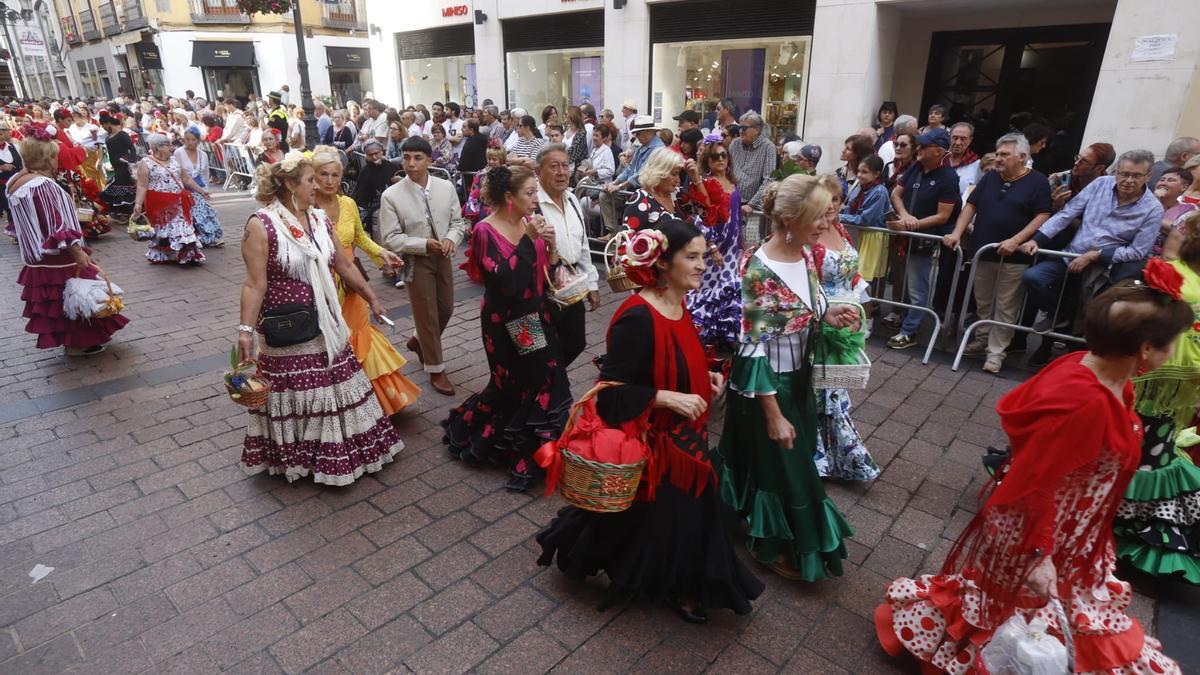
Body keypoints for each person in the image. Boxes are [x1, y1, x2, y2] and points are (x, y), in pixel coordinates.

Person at [876, 281, 1188, 675]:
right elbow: (1039, 480)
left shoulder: (1088, 366)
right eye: (1172, 340)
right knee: (1027, 614)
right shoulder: (1087, 401)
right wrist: (1041, 554)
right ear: (1145, 348)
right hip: (1044, 531)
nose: (1175, 348)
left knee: (1028, 611)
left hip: (1069, 530)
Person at [537, 218, 765, 624]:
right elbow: (610, 396)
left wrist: (704, 374)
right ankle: (685, 588)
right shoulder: (637, 317)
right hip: (662, 445)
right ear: (663, 263)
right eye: (690, 257)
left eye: (701, 256)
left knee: (655, 518)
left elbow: (678, 355)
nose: (701, 264)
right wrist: (666, 398)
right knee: (689, 514)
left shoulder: (679, 301)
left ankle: (662, 575)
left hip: (686, 436)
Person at [713, 174, 858, 579]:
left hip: (798, 379)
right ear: (790, 219)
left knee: (775, 460)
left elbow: (807, 302)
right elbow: (752, 346)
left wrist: (827, 313)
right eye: (818, 216)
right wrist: (774, 413)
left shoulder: (806, 255)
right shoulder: (756, 272)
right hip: (765, 387)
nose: (826, 224)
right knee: (787, 468)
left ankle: (745, 521)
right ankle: (774, 545)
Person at [237, 152, 405, 485]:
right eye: (311, 180)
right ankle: (304, 458)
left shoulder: (318, 220)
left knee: (332, 385)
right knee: (301, 392)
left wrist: (372, 298)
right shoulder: (261, 224)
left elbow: (343, 265)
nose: (318, 186)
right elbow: (255, 283)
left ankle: (337, 452)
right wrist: (244, 331)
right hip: (286, 329)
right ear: (289, 184)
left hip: (326, 322)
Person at [442, 164, 572, 491]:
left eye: (535, 192)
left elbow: (545, 269)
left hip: (535, 314)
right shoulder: (485, 230)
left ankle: (530, 448)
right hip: (508, 320)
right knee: (520, 383)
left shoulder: (531, 224)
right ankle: (521, 451)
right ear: (508, 197)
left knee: (539, 379)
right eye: (529, 193)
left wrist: (552, 247)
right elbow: (506, 281)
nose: (535, 199)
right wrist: (529, 241)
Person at [1020, 149, 1163, 364]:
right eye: (1124, 174)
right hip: (1070, 255)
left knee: (1088, 317)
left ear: (1148, 176)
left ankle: (1074, 363)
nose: (1128, 180)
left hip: (1105, 269)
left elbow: (1138, 251)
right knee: (1034, 278)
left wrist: (1096, 255)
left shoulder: (1153, 208)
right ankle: (1061, 317)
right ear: (1116, 172)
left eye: (1136, 176)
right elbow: (1068, 214)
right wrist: (1036, 240)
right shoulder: (1100, 184)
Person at [310, 145, 419, 418]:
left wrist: (382, 252)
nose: (330, 181)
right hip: (320, 284)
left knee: (359, 332)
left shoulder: (347, 204)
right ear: (312, 176)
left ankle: (370, 402)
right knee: (330, 340)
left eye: (335, 175)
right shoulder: (306, 209)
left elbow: (359, 238)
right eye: (323, 174)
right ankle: (339, 406)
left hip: (351, 283)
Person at [1116, 239, 1200, 584]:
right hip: (1166, 377)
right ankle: (1132, 536)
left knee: (1133, 448)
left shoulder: (1172, 274)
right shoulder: (1180, 281)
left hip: (1147, 371)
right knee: (1146, 453)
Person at [11, 122, 128, 355]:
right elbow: (56, 223)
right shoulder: (43, 185)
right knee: (76, 296)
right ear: (46, 159)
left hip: (38, 254)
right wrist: (77, 251)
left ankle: (75, 343)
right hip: (56, 255)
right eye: (54, 156)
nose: (57, 160)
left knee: (59, 300)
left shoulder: (18, 181)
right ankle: (80, 344)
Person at [944, 133, 1052, 373]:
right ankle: (982, 339)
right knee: (983, 301)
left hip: (1014, 257)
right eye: (999, 153)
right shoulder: (990, 178)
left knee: (1005, 305)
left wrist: (1016, 240)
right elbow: (971, 205)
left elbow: (1042, 215)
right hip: (983, 252)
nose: (999, 158)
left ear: (1023, 157)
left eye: (1005, 154)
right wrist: (957, 232)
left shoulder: (1038, 181)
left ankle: (995, 353)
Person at [379, 136, 468, 397]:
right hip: (415, 260)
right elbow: (391, 238)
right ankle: (436, 368)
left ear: (430, 160)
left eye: (417, 158)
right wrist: (423, 244)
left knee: (446, 308)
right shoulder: (391, 195)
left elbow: (457, 222)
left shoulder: (445, 187)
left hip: (444, 256)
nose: (411, 163)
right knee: (427, 314)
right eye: (406, 157)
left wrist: (452, 239)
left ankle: (419, 340)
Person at [812, 175, 879, 481]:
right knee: (818, 388)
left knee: (833, 387)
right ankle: (817, 458)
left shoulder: (840, 229)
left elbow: (854, 277)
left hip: (846, 321)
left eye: (837, 199)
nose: (832, 205)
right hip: (819, 322)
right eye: (826, 199)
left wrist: (859, 310)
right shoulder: (809, 234)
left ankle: (834, 456)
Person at [885, 128, 962, 349]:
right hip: (906, 234)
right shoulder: (916, 167)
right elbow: (896, 194)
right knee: (908, 283)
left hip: (924, 239)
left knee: (918, 285)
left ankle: (910, 331)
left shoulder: (948, 177)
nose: (919, 148)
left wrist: (914, 223)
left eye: (924, 146)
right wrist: (906, 216)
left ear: (938, 151)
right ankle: (908, 322)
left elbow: (944, 215)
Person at [535, 143, 600, 366]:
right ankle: (550, 388)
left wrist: (592, 284)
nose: (562, 172)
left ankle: (552, 381)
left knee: (576, 341)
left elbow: (582, 246)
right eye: (554, 166)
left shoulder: (572, 198)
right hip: (540, 286)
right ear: (538, 171)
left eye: (565, 166)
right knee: (539, 346)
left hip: (570, 283)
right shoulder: (532, 203)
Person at [682, 135, 742, 347]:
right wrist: (713, 246)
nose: (720, 160)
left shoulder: (733, 182)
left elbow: (736, 215)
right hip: (712, 247)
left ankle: (723, 332)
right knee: (707, 289)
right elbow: (700, 218)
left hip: (733, 247)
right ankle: (701, 331)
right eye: (715, 156)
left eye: (724, 155)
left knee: (728, 287)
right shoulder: (704, 184)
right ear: (707, 161)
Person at [133, 134, 208, 265]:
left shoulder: (174, 160)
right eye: (167, 145)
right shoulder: (145, 164)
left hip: (178, 202)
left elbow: (187, 179)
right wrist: (138, 204)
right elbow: (142, 185)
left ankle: (188, 255)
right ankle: (168, 253)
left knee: (182, 225)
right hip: (159, 203)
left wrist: (201, 191)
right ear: (158, 148)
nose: (171, 147)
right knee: (165, 229)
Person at [839, 155, 889, 322]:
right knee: (854, 280)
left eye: (865, 172)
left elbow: (865, 220)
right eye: (859, 171)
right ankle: (855, 319)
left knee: (862, 282)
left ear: (876, 174)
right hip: (856, 235)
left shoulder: (880, 191)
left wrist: (838, 217)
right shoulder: (860, 186)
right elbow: (849, 210)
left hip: (871, 237)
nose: (859, 175)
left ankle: (867, 322)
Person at [601, 115, 665, 234]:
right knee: (604, 195)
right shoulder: (642, 147)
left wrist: (619, 186)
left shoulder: (658, 149)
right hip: (635, 190)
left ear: (649, 132)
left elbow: (641, 174)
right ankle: (614, 233)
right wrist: (614, 183)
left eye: (638, 133)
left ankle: (622, 235)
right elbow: (630, 169)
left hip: (647, 193)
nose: (636, 137)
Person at [173, 126, 225, 248]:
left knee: (204, 212)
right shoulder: (179, 153)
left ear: (198, 141)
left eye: (193, 139)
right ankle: (203, 236)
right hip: (184, 189)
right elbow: (178, 174)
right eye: (187, 139)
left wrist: (204, 191)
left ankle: (211, 236)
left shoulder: (203, 155)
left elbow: (205, 174)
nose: (190, 142)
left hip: (199, 188)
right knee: (196, 213)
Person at [622, 147, 685, 230]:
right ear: (659, 173)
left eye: (679, 174)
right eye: (674, 174)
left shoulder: (676, 194)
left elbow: (703, 213)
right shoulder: (640, 200)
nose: (678, 180)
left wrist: (696, 179)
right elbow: (629, 239)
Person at [729, 111, 776, 213]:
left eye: (744, 128)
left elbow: (769, 179)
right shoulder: (735, 143)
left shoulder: (768, 147)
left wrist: (751, 204)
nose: (741, 131)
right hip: (730, 201)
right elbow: (726, 170)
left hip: (751, 208)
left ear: (757, 129)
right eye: (739, 127)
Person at [1152, 167, 1196, 257]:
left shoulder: (1189, 208)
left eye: (1170, 180)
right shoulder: (1144, 200)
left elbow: (1183, 232)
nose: (1163, 183)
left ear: (1183, 187)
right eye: (1162, 179)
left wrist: (1150, 219)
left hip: (1162, 258)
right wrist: (1155, 199)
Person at [464, 144, 505, 225]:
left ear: (502, 160)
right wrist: (469, 220)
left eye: (494, 159)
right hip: (485, 213)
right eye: (489, 159)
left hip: (503, 212)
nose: (491, 162)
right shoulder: (481, 174)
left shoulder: (508, 174)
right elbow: (473, 197)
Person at [947, 122, 981, 199]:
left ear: (970, 140)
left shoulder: (977, 165)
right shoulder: (938, 158)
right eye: (955, 138)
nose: (958, 142)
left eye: (963, 139)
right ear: (949, 138)